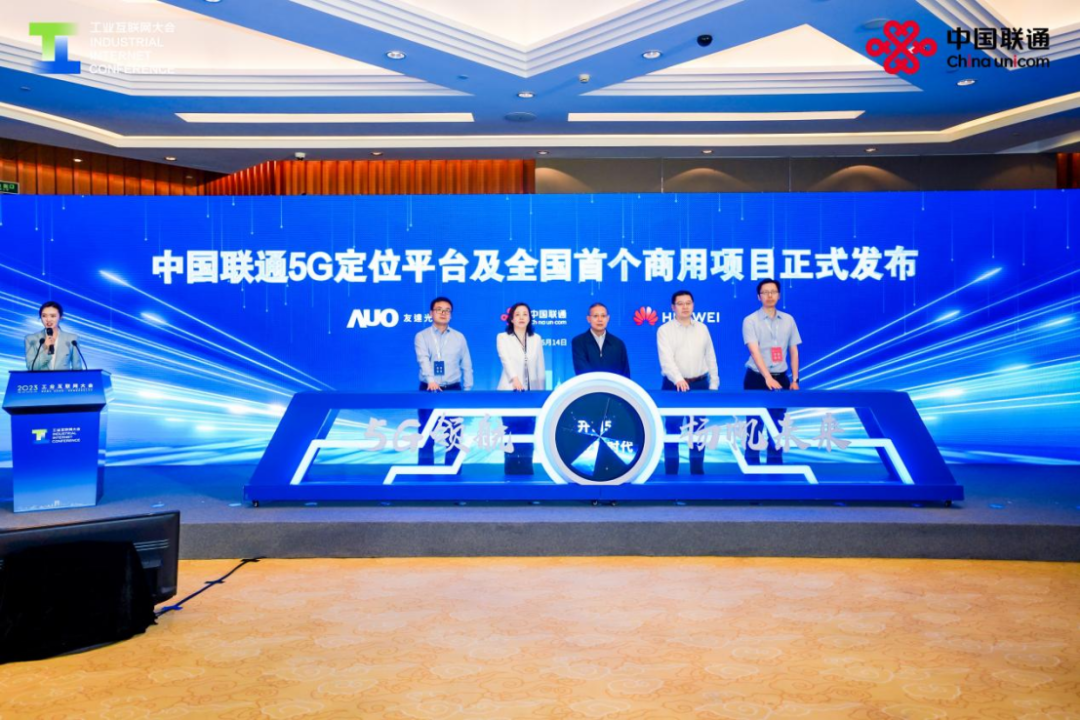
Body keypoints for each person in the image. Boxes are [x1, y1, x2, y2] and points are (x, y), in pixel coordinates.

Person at [656, 289, 719, 475]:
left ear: (693, 305)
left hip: (700, 385)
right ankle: (671, 474)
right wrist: (679, 379)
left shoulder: (702, 328)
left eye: (688, 303)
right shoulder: (664, 330)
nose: (685, 307)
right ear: (673, 307)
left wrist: (714, 383)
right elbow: (666, 361)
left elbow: (710, 356)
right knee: (672, 430)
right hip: (674, 386)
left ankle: (697, 473)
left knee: (698, 431)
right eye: (680, 304)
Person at [742, 278, 802, 465]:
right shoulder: (750, 320)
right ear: (758, 297)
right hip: (756, 379)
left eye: (773, 292)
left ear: (779, 295)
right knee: (754, 426)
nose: (769, 296)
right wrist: (767, 377)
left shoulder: (788, 320)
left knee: (777, 426)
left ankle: (775, 468)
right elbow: (754, 351)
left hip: (781, 379)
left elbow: (793, 350)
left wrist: (795, 380)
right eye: (765, 292)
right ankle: (751, 468)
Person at [414, 297, 473, 467]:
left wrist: (467, 389)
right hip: (428, 389)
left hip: (453, 389)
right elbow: (423, 359)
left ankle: (453, 471)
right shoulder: (422, 336)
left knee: (454, 433)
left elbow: (466, 363)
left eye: (447, 310)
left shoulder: (459, 337)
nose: (443, 313)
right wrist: (431, 380)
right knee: (426, 431)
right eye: (439, 309)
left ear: (451, 315)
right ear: (431, 313)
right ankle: (425, 471)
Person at [496, 302, 546, 475]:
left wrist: (540, 394)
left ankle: (526, 469)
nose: (521, 317)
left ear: (530, 318)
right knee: (510, 433)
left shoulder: (536, 339)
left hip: (530, 395)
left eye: (525, 314)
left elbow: (540, 367)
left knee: (528, 433)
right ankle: (510, 470)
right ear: (511, 318)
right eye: (517, 314)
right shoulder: (503, 337)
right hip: (510, 392)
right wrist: (515, 379)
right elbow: (505, 360)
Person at [571, 302, 630, 378]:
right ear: (588, 319)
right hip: (589, 385)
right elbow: (581, 370)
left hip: (613, 385)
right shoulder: (578, 342)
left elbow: (625, 374)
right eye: (595, 316)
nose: (600, 320)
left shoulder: (618, 344)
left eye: (603, 316)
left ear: (608, 318)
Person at [25, 301, 80, 371]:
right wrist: (46, 350)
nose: (48, 319)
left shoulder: (72, 339)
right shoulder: (31, 339)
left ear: (60, 317)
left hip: (63, 378)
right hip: (41, 378)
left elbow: (77, 369)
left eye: (53, 316)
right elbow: (31, 368)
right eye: (44, 316)